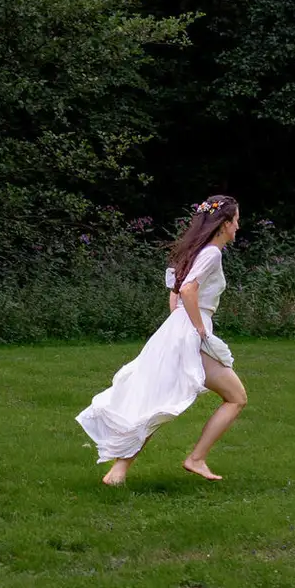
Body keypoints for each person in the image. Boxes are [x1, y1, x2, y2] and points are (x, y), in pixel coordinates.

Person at [76, 195, 249, 485]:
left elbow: (175, 292)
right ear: (223, 224)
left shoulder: (195, 251)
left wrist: (180, 324)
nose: (238, 227)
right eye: (236, 221)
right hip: (190, 332)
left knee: (158, 400)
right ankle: (196, 459)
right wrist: (198, 330)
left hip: (176, 331)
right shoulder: (212, 253)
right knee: (236, 397)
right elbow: (188, 290)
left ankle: (117, 473)